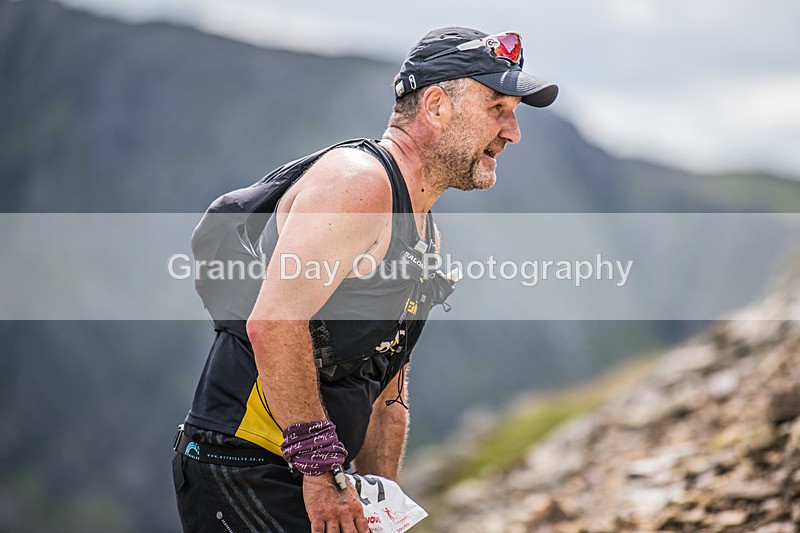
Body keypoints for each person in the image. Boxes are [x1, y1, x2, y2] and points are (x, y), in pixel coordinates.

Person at [172, 27, 558, 533]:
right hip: (244, 464)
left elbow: (385, 392)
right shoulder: (357, 184)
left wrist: (385, 503)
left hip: (309, 471)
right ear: (437, 105)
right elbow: (274, 322)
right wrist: (323, 472)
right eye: (496, 109)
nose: (513, 131)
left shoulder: (423, 231)